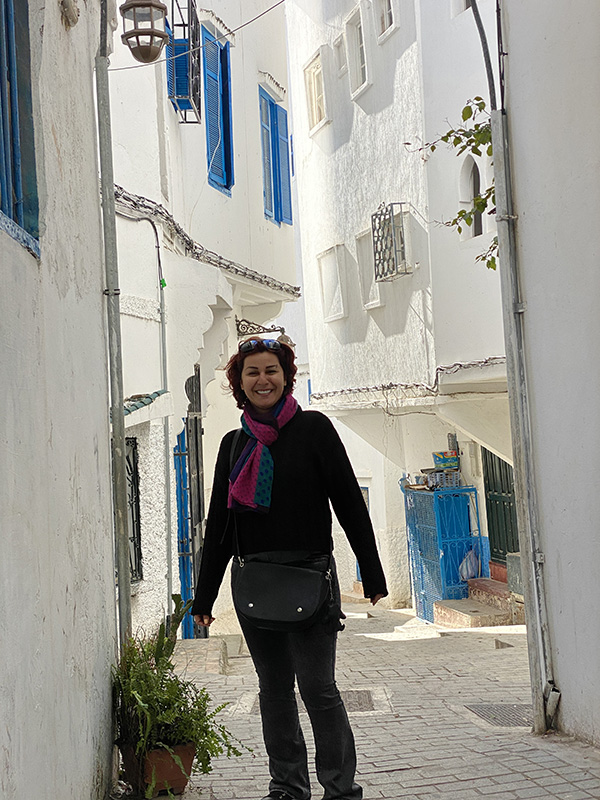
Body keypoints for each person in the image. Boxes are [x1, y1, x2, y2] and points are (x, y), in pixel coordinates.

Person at [192, 337, 387, 800]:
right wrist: (204, 597)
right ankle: (287, 787)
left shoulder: (315, 429)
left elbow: (349, 502)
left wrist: (372, 572)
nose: (263, 380)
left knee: (319, 689)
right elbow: (220, 526)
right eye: (253, 372)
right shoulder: (233, 444)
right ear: (239, 383)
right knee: (274, 690)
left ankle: (341, 789)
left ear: (286, 377)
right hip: (255, 582)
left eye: (271, 370)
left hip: (311, 579)